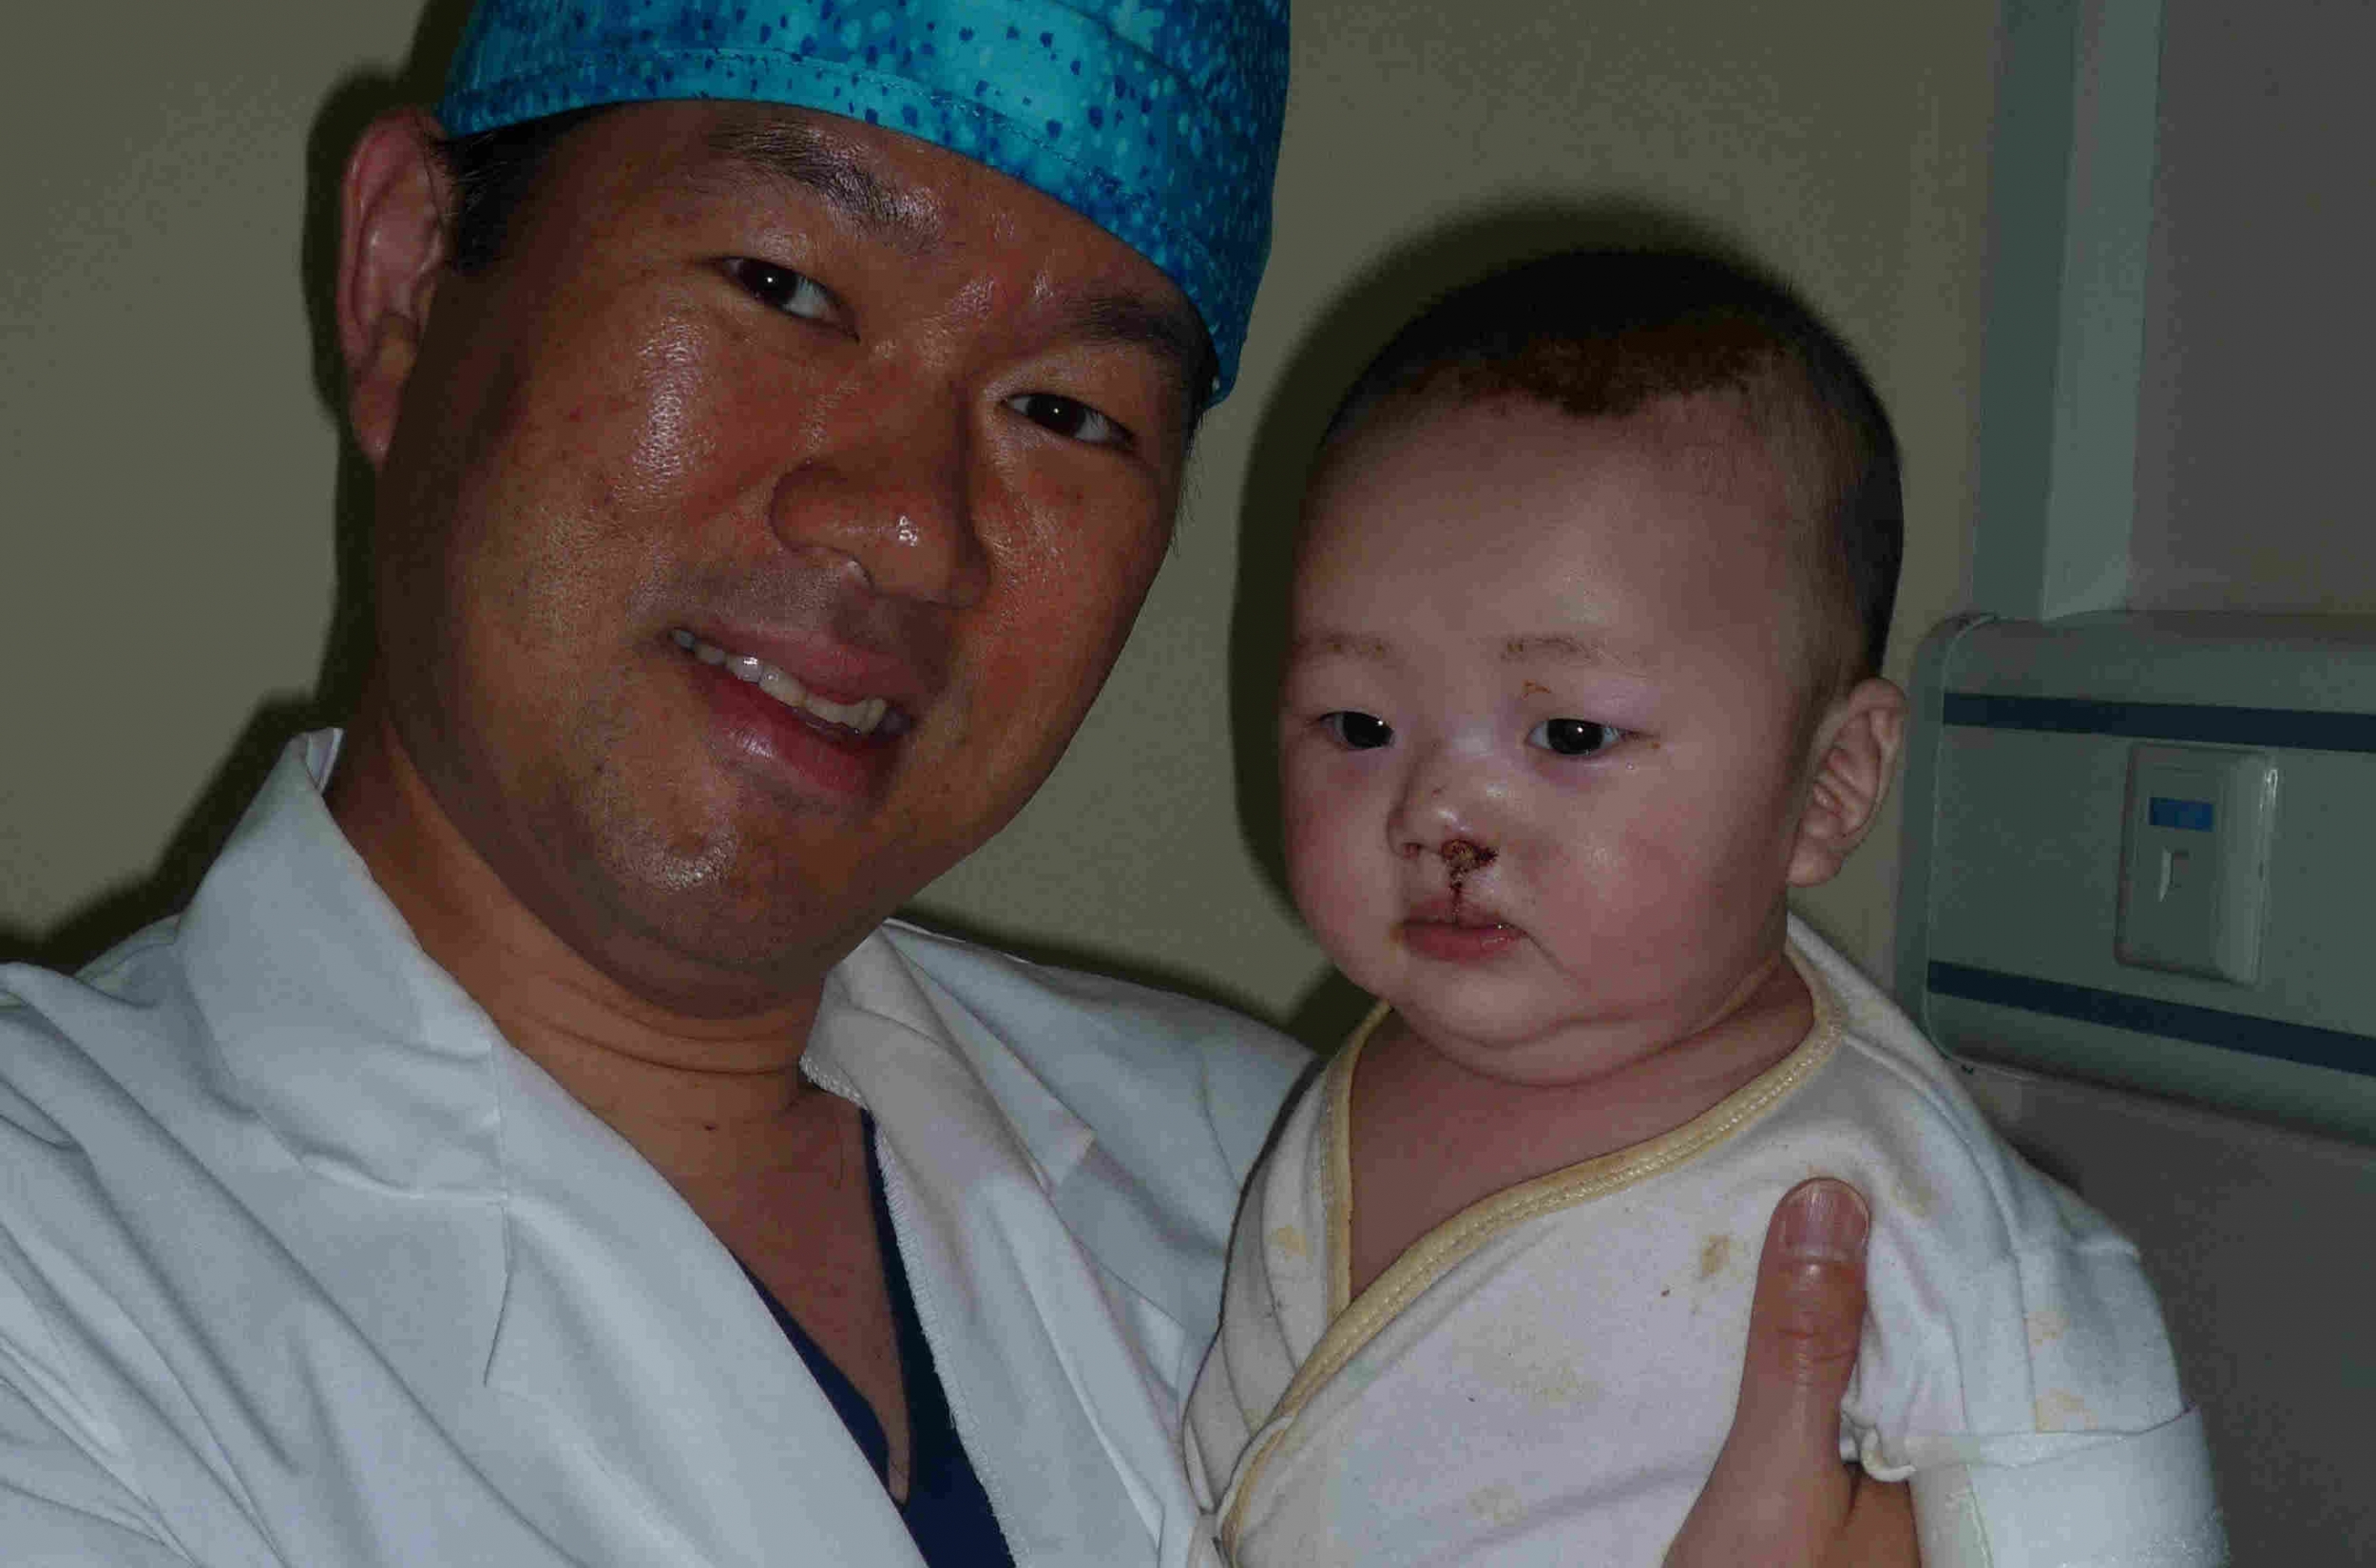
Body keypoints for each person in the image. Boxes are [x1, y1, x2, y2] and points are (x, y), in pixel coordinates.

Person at [0, 5, 1912, 1564]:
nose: (910, 522)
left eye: (1068, 415)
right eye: (781, 284)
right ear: (409, 279)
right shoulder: (59, 1266)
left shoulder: (1318, 1184)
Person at [1180, 251, 2227, 1566]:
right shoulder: (1347, 1093)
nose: (1439, 815)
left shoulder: (1887, 1185)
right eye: (1358, 722)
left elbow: (2102, 1479)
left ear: (1829, 785)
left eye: (1567, 729)